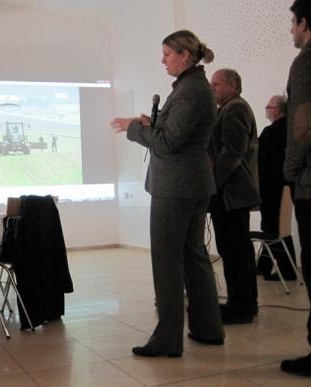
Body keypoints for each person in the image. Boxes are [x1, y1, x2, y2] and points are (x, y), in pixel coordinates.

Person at [110, 30, 224, 357]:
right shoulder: (192, 88)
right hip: (191, 184)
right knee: (193, 257)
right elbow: (175, 135)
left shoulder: (190, 91)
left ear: (184, 55)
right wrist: (151, 124)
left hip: (176, 187)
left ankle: (167, 339)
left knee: (167, 261)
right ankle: (207, 328)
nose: (163, 60)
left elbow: (168, 144)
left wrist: (136, 129)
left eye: (167, 54)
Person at [208, 69, 261, 325]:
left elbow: (231, 153)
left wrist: (213, 183)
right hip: (229, 192)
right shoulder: (228, 108)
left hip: (230, 193)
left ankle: (241, 306)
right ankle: (243, 302)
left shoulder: (235, 109)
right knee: (234, 249)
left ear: (233, 86)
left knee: (235, 250)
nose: (212, 88)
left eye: (216, 84)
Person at [281, 0, 311, 377]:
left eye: (293, 22)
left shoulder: (305, 62)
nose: (291, 30)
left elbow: (302, 125)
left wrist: (289, 170)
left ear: (305, 22)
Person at [257, 95, 297, 281]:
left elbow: (258, 159)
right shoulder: (290, 130)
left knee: (270, 228)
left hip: (270, 188)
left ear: (278, 110)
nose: (266, 108)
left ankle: (286, 270)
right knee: (278, 228)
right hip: (285, 187)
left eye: (269, 106)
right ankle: (264, 265)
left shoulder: (271, 132)